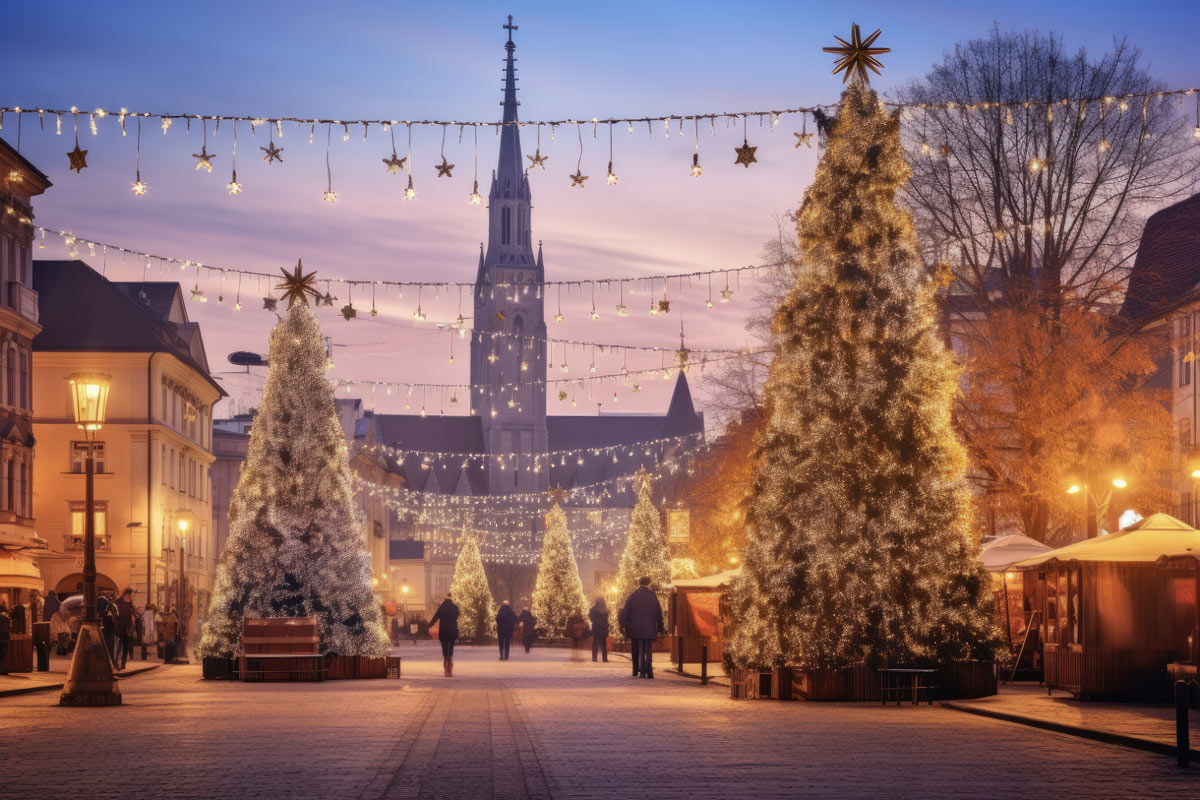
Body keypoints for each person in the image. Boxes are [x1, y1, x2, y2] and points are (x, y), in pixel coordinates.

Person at [619, 577, 665, 679]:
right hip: (649, 627)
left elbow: (626, 613)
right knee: (648, 649)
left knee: (636, 650)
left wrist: (623, 626)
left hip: (635, 628)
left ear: (639, 583)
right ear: (649, 583)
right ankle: (649, 670)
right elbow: (658, 613)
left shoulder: (633, 596)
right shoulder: (653, 596)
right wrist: (660, 628)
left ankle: (637, 669)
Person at [429, 594, 460, 677]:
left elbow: (435, 618)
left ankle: (446, 667)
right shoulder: (455, 608)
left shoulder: (441, 608)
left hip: (443, 632)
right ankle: (450, 667)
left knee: (444, 647)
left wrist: (428, 627)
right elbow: (459, 617)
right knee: (451, 647)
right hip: (452, 631)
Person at [114, 588, 137, 670]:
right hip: (119, 628)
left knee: (126, 647)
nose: (133, 596)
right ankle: (115, 663)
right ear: (127, 595)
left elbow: (132, 615)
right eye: (132, 595)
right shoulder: (117, 603)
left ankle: (123, 665)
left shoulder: (130, 604)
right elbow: (116, 616)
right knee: (118, 646)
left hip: (127, 628)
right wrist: (117, 627)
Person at [96, 590, 117, 659]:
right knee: (110, 644)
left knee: (103, 643)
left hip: (101, 625)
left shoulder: (98, 601)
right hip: (110, 625)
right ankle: (110, 659)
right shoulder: (110, 604)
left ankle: (104, 658)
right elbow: (115, 615)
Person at [588, 598, 610, 663]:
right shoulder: (605, 609)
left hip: (596, 628)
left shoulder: (593, 609)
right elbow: (608, 617)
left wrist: (595, 622)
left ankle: (594, 658)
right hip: (604, 628)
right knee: (604, 644)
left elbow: (590, 616)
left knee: (595, 644)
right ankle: (604, 658)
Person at [0, 603, 10, 675]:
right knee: (3, 655)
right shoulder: (7, 618)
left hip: (2, 637)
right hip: (5, 638)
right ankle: (2, 669)